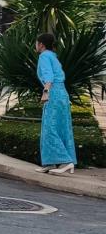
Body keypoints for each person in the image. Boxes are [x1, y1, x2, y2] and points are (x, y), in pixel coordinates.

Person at [37, 33, 77, 175]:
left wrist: (46, 91)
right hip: (62, 94)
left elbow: (49, 76)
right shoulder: (53, 56)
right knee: (61, 127)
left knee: (50, 128)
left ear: (41, 44)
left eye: (37, 43)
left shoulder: (44, 56)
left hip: (53, 93)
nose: (36, 46)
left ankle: (66, 162)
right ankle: (51, 162)